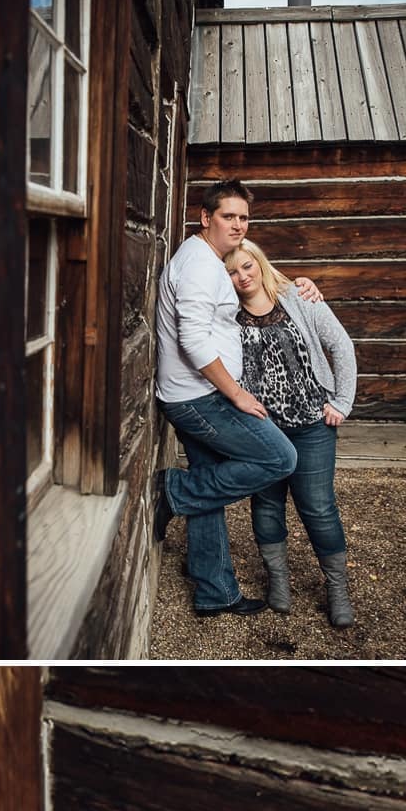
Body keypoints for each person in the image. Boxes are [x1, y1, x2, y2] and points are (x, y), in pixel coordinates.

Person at [151, 182, 319, 619]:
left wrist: (301, 284)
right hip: (199, 397)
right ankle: (173, 490)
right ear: (206, 218)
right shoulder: (198, 267)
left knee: (212, 480)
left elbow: (257, 286)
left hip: (200, 392)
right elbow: (192, 340)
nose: (239, 225)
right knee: (280, 458)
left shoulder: (209, 260)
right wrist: (238, 394)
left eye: (244, 218)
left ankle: (215, 591)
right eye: (229, 216)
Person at [227, 236, 359, 629]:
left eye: (247, 266)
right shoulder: (225, 313)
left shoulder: (299, 297)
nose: (242, 276)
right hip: (262, 429)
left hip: (312, 425)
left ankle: (337, 590)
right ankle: (278, 583)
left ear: (260, 262)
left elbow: (341, 346)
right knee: (267, 505)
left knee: (318, 507)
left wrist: (341, 401)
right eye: (232, 272)